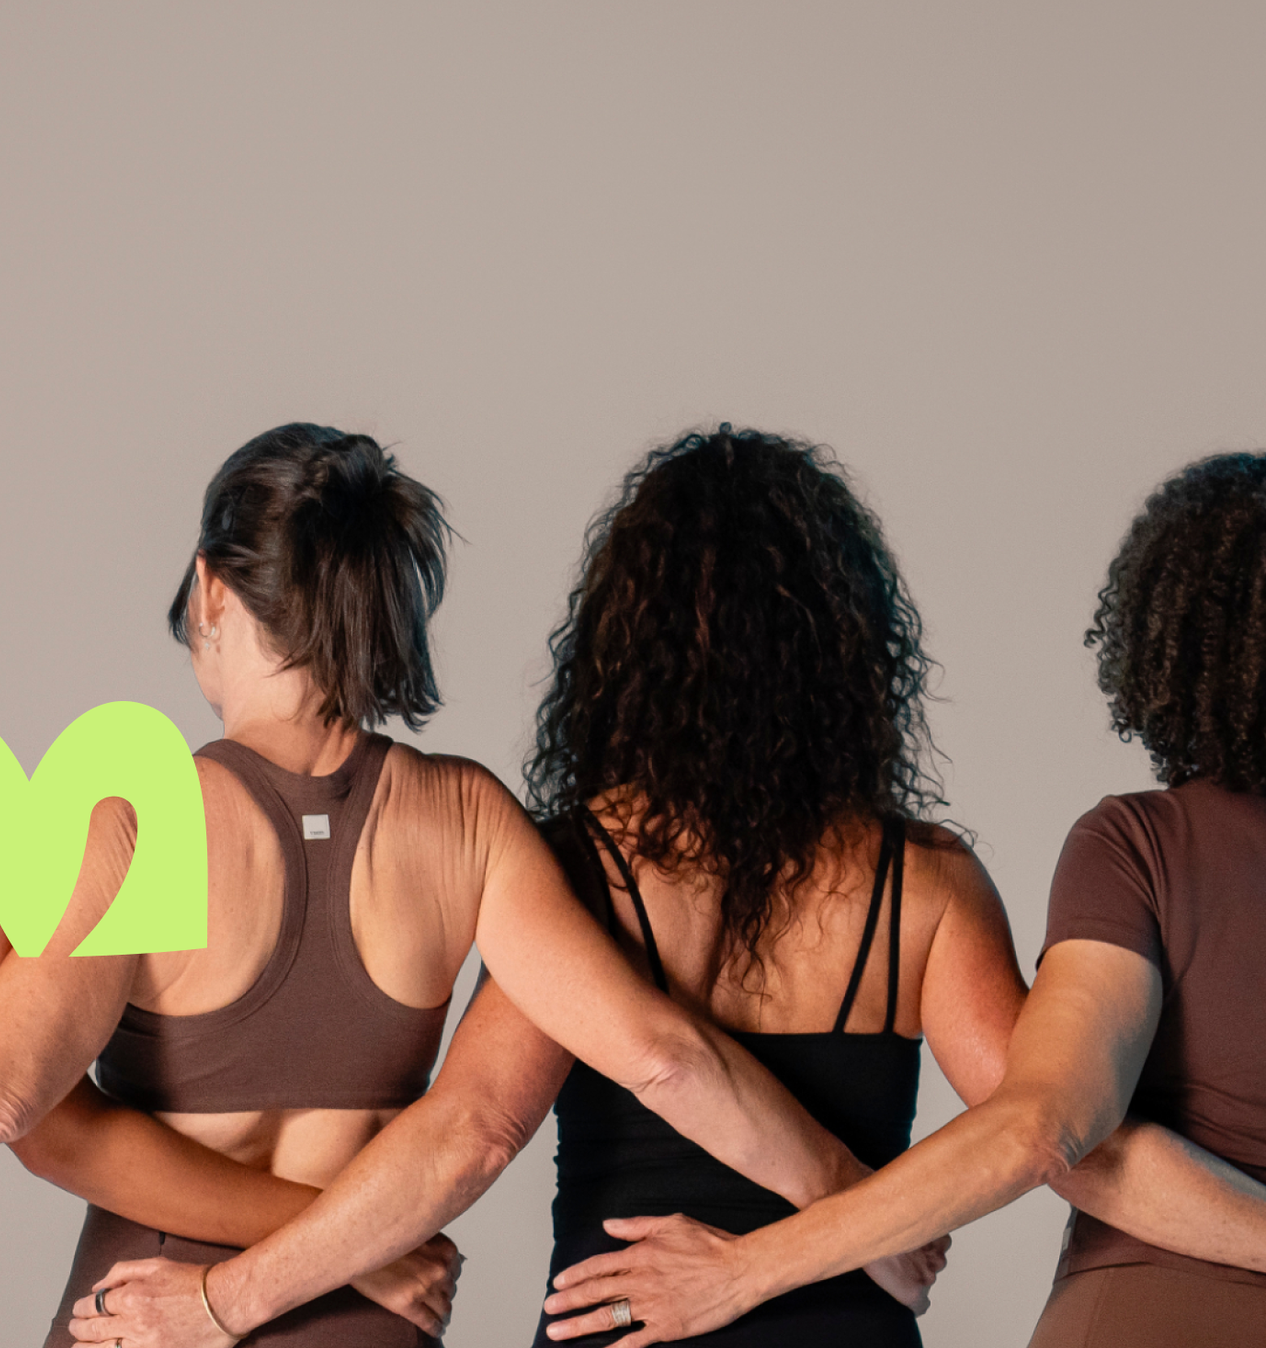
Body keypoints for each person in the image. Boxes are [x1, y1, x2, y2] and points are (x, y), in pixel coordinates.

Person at [0, 423, 950, 1343]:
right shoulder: (464, 823)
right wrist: (851, 1210)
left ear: (212, 590)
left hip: (140, 1312)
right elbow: (640, 1055)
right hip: (367, 1312)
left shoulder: (141, 817)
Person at [527, 451, 1266, 1347]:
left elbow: (474, 1130)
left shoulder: (561, 869)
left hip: (622, 1315)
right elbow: (1062, 1142)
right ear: (852, 647)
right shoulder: (926, 880)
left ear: (620, 650)